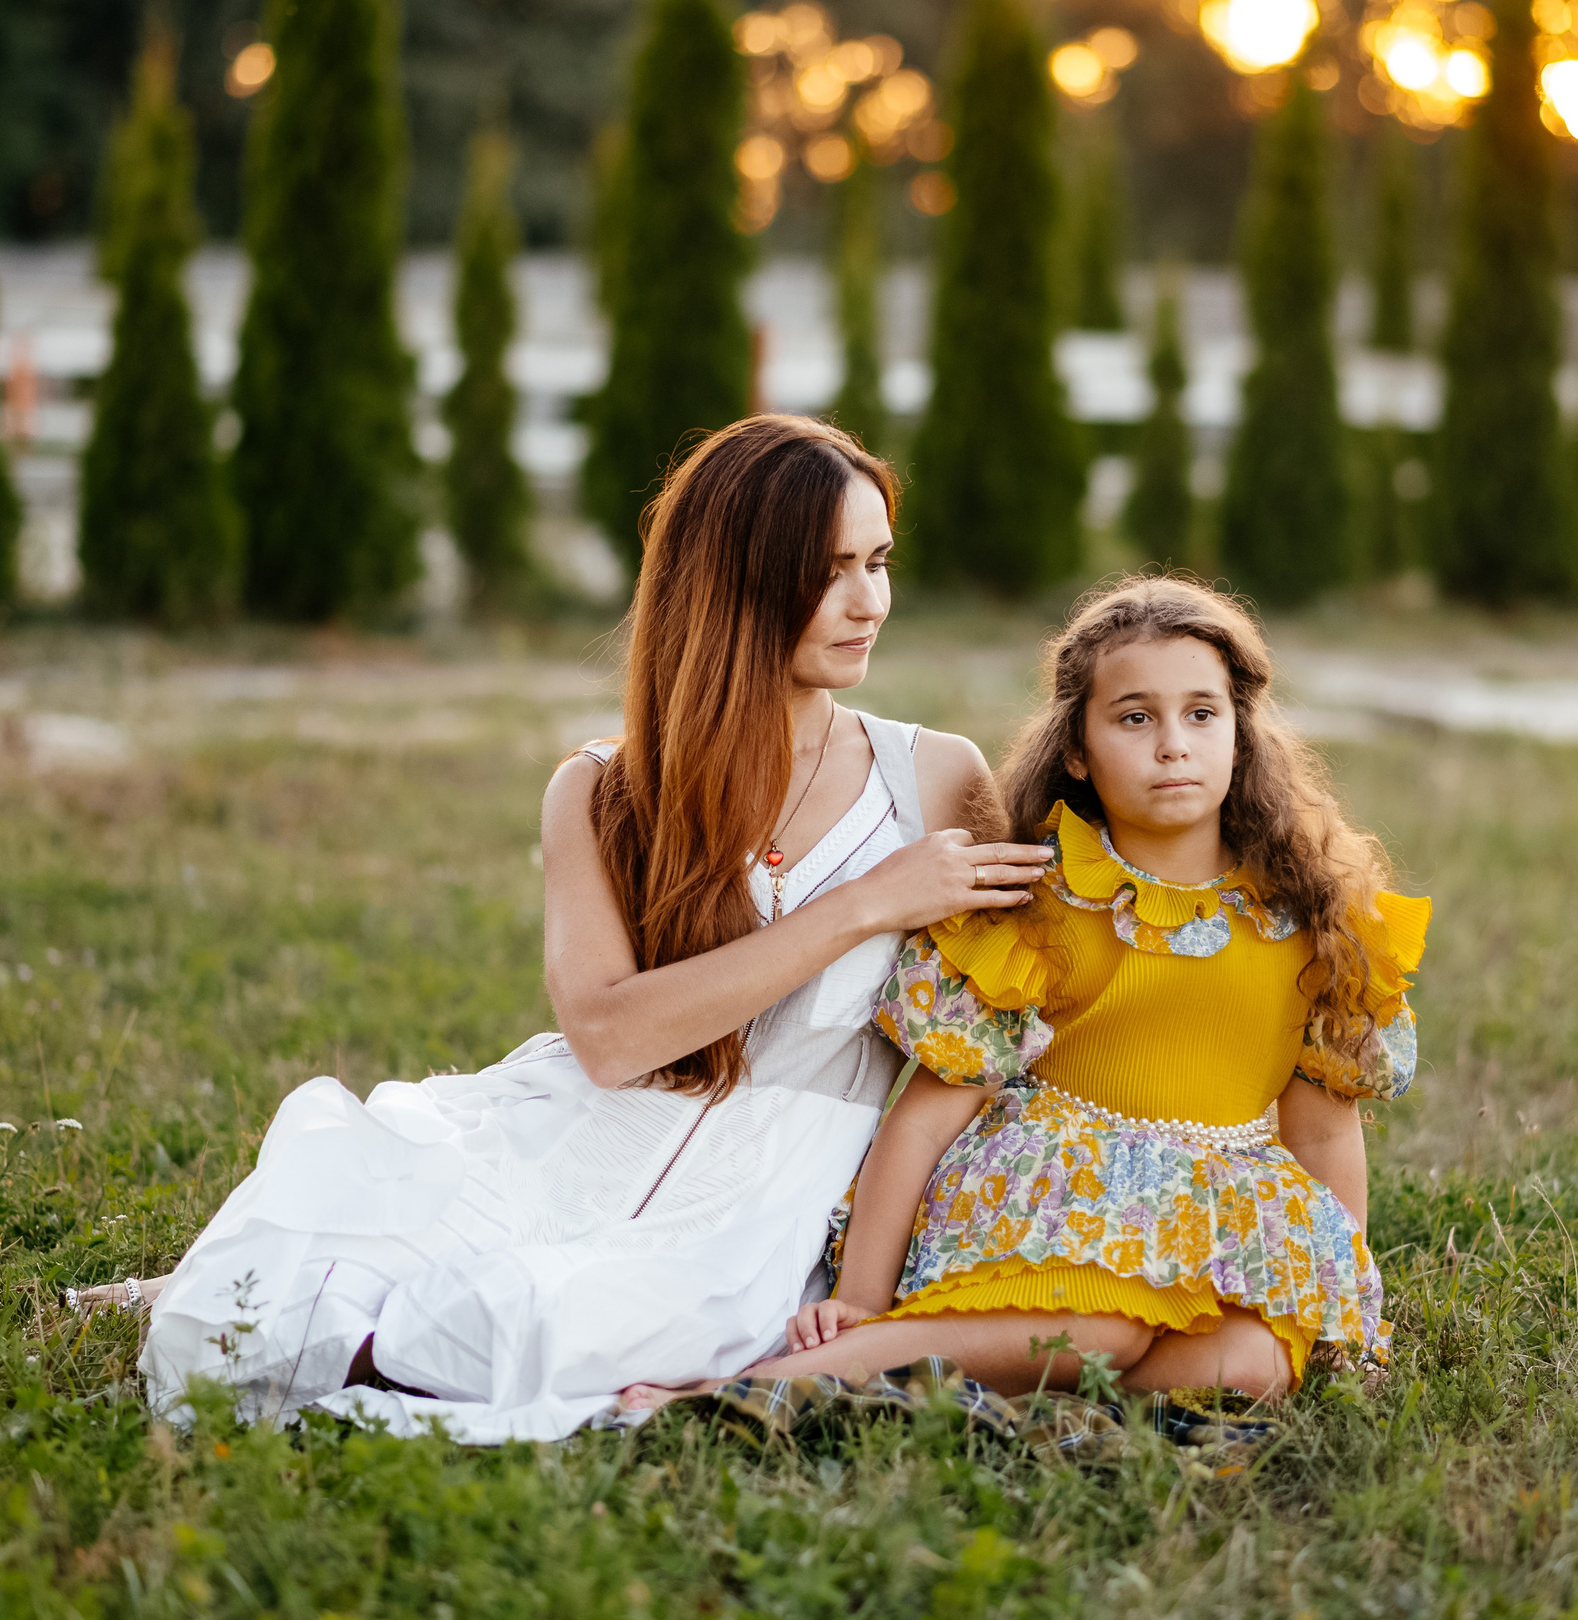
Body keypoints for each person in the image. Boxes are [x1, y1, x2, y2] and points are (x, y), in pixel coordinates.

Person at [72, 415, 1054, 1442]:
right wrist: (863, 904)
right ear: (735, 584)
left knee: (543, 1325)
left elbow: (1008, 1025)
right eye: (830, 571)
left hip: (771, 1189)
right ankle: (224, 1292)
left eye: (879, 562)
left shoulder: (933, 779)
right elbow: (613, 1035)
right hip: (580, 1126)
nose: (869, 603)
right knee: (272, 1308)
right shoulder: (603, 787)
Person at [713, 575, 1426, 1401]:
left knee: (1256, 1364)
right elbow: (925, 1115)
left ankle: (1014, 1396)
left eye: (1202, 714)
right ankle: (789, 1379)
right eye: (1135, 717)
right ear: (1078, 750)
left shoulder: (1312, 917)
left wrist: (1342, 1299)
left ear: (1241, 736)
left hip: (1217, 1230)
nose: (1173, 744)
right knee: (1106, 1325)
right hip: (1051, 1216)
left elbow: (1326, 1133)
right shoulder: (1046, 904)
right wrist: (860, 1301)